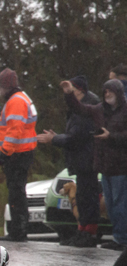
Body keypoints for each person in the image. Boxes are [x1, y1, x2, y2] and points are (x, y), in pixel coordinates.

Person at [39, 77, 101, 248]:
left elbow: (77, 137)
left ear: (79, 90)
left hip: (87, 159)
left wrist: (54, 139)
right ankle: (82, 231)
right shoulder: (79, 107)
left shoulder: (88, 108)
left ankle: (89, 233)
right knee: (82, 197)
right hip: (81, 159)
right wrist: (57, 136)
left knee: (88, 197)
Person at [66, 78, 127, 250]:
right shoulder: (100, 109)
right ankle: (118, 238)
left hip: (122, 166)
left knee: (121, 204)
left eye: (110, 91)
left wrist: (111, 136)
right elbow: (80, 109)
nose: (107, 94)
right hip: (105, 165)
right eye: (105, 91)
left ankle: (123, 239)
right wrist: (69, 94)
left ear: (118, 93)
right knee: (112, 205)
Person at [0, 69, 38, 242]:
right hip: (22, 152)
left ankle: (18, 231)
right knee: (17, 192)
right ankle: (19, 229)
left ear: (5, 86)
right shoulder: (21, 98)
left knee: (16, 193)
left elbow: (14, 130)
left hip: (18, 153)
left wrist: (4, 152)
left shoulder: (16, 101)